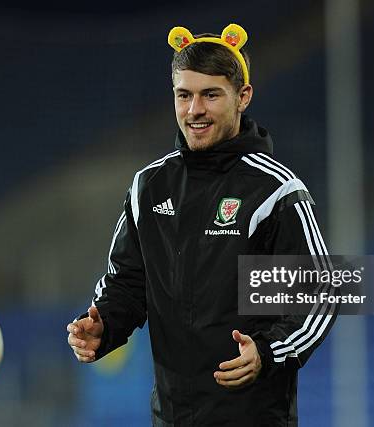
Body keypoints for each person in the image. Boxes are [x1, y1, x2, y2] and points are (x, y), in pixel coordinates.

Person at [67, 23, 336, 426]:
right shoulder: (150, 186)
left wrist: (267, 352)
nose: (195, 110)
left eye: (211, 95)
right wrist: (104, 325)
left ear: (242, 97)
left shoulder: (275, 191)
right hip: (171, 417)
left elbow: (320, 291)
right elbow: (127, 281)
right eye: (184, 95)